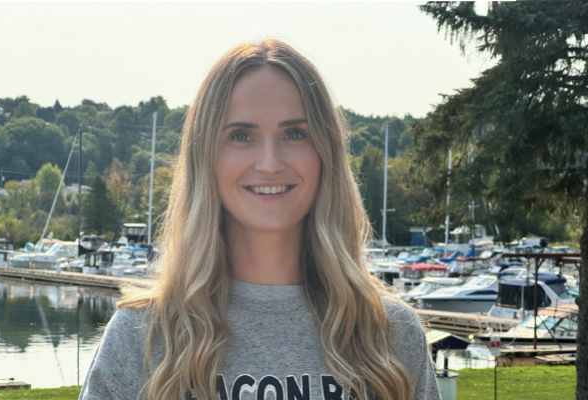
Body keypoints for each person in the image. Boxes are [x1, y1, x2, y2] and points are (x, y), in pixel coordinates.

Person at [79, 39, 440, 400]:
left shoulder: (389, 335)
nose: (269, 162)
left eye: (295, 134)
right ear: (206, 158)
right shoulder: (142, 336)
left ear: (325, 154)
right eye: (241, 136)